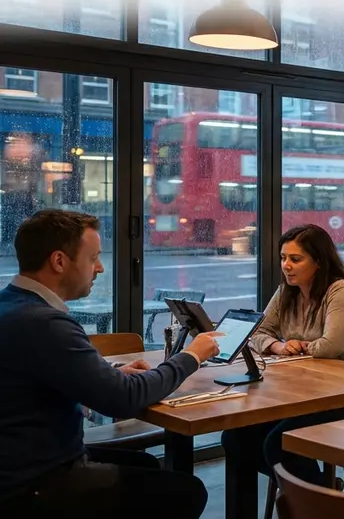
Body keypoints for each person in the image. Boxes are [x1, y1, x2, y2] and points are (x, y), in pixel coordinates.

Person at [0, 210, 221, 519]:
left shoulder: (11, 304)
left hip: (18, 465)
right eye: (93, 258)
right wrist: (191, 356)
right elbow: (124, 398)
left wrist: (110, 374)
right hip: (36, 483)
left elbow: (46, 379)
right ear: (59, 261)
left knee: (145, 465)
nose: (100, 268)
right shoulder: (45, 323)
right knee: (188, 493)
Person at [222, 224, 344, 488]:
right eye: (283, 258)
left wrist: (300, 346)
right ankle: (318, 488)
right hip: (304, 392)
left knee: (278, 444)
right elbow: (257, 333)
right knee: (236, 437)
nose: (286, 266)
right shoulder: (286, 292)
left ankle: (317, 498)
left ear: (318, 261)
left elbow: (330, 347)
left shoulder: (341, 291)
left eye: (295, 259)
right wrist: (277, 346)